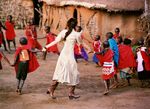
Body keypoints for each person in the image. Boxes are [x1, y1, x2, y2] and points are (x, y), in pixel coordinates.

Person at [42, 18, 82, 99]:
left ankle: (51, 89)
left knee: (59, 72)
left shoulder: (64, 32)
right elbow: (79, 43)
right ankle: (70, 93)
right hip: (69, 56)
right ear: (75, 26)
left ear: (67, 24)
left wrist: (46, 46)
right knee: (74, 73)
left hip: (63, 55)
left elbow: (55, 41)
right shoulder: (77, 35)